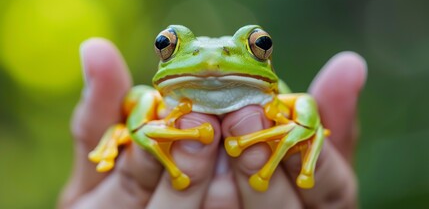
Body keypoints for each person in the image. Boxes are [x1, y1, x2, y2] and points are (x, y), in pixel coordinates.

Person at [58, 38, 366, 208]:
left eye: (260, 45)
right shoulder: (154, 101)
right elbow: (138, 97)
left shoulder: (277, 101)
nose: (211, 60)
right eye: (167, 44)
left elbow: (303, 103)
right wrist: (134, 128)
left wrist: (304, 128)